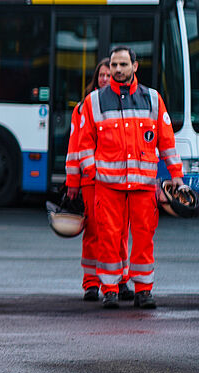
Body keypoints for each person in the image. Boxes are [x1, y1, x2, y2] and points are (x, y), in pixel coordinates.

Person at [69, 46, 183, 309]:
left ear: (135, 66)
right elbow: (84, 143)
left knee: (144, 237)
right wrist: (92, 173)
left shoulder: (153, 99)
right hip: (108, 185)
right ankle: (109, 289)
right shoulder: (94, 101)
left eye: (123, 64)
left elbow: (167, 142)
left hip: (143, 185)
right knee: (108, 237)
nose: (117, 70)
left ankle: (143, 290)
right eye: (114, 65)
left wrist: (176, 176)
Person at [65, 58, 128, 302]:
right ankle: (91, 283)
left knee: (119, 232)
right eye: (100, 75)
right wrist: (72, 181)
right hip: (91, 180)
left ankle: (120, 280)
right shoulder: (83, 108)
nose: (104, 78)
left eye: (107, 75)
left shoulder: (122, 105)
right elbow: (75, 147)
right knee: (93, 231)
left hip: (117, 181)